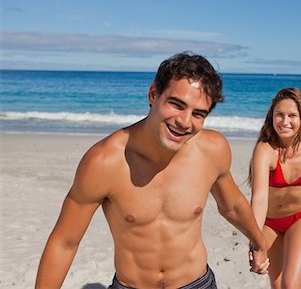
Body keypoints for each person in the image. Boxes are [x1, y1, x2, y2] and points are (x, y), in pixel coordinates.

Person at [35, 52, 269, 289]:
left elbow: (232, 206)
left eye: (198, 114)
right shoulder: (105, 161)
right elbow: (65, 242)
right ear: (153, 94)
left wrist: (259, 242)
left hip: (197, 284)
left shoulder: (212, 150)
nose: (185, 122)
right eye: (177, 105)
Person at [248, 87, 301, 288]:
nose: (285, 121)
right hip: (270, 223)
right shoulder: (265, 150)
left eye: (292, 115)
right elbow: (259, 199)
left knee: (290, 284)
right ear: (272, 116)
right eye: (279, 114)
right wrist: (255, 242)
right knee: (277, 285)